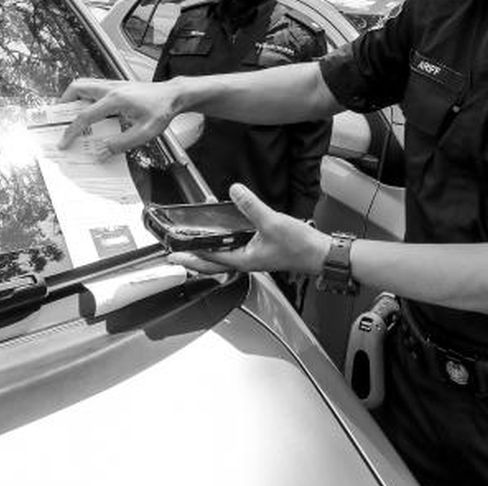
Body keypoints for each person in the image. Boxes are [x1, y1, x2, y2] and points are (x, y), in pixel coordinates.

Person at [57, 0, 488, 484]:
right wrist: (177, 94)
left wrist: (327, 255)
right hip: (412, 371)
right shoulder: (438, 11)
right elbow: (323, 83)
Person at [152, 0, 332, 309]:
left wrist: (299, 232)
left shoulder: (300, 37)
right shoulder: (188, 22)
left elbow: (308, 155)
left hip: (256, 234)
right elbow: (157, 114)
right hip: (181, 223)